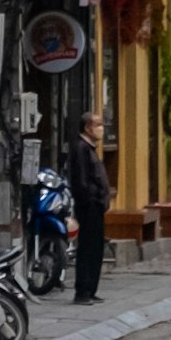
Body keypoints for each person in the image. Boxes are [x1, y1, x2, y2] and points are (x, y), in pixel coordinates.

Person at [66, 111, 113, 304]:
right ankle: (83, 291)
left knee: (96, 249)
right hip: (89, 207)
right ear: (87, 127)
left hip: (97, 206)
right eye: (98, 124)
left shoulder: (90, 149)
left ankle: (91, 288)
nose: (101, 128)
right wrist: (91, 200)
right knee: (87, 249)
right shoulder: (81, 149)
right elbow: (81, 181)